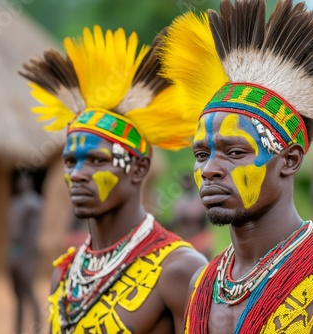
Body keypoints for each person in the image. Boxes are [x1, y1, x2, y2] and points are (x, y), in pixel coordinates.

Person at [159, 0, 313, 333]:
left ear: (290, 160)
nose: (210, 168)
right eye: (202, 155)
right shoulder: (201, 284)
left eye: (236, 152)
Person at [20, 26, 207, 333]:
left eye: (97, 160)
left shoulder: (179, 270)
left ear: (138, 168)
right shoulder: (66, 274)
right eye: (70, 161)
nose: (77, 174)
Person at [8, 171, 42, 334]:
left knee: (29, 291)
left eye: (24, 180)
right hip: (14, 251)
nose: (21, 183)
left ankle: (37, 327)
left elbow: (32, 233)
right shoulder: (15, 203)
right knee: (18, 296)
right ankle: (18, 329)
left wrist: (25, 256)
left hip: (25, 255)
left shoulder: (33, 204)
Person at [170, 172, 214, 259]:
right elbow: (176, 221)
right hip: (187, 239)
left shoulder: (200, 200)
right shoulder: (180, 202)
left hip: (201, 239)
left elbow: (207, 220)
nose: (186, 185)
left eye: (188, 181)